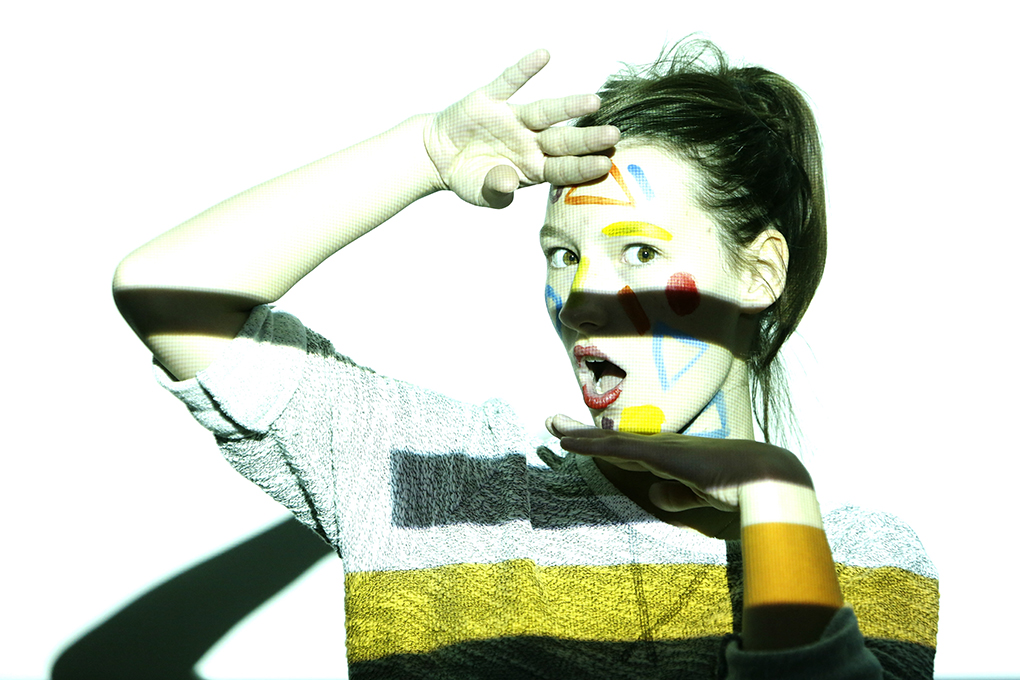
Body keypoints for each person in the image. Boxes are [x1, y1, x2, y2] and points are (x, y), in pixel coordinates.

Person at [113, 40, 938, 679]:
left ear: (758, 274)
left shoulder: (862, 560)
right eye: (562, 255)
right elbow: (166, 291)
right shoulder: (438, 481)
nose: (580, 298)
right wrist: (424, 154)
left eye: (640, 254)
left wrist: (775, 500)